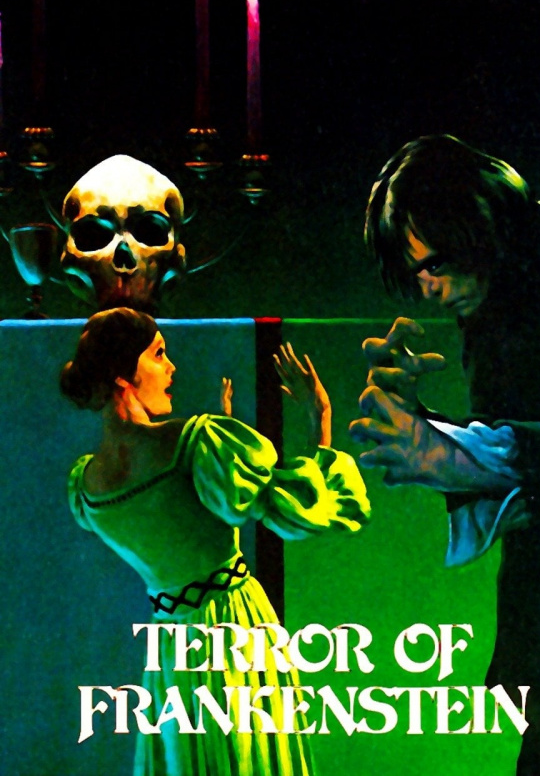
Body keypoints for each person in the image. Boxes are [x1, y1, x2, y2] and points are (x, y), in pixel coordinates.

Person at [349, 134, 540, 775]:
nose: (428, 292)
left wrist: (457, 453)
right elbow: (527, 451)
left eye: (433, 265)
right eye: (416, 276)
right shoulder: (494, 288)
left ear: (474, 223)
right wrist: (427, 428)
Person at [62, 308, 370, 776]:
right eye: (158, 355)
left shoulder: (86, 485)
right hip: (233, 625)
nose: (172, 368)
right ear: (123, 375)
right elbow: (299, 511)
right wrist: (320, 421)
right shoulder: (195, 440)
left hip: (172, 647)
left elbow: (177, 524)